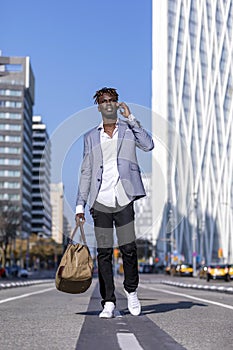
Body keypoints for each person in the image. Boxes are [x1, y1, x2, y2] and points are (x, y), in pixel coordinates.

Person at [75, 87, 154, 318]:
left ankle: (131, 291)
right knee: (104, 252)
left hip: (124, 197)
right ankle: (108, 301)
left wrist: (131, 117)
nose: (108, 104)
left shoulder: (129, 130)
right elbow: (86, 172)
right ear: (98, 106)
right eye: (103, 101)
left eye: (111, 100)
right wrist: (80, 205)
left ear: (117, 103)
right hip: (100, 200)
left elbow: (148, 145)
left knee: (129, 248)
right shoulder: (90, 137)